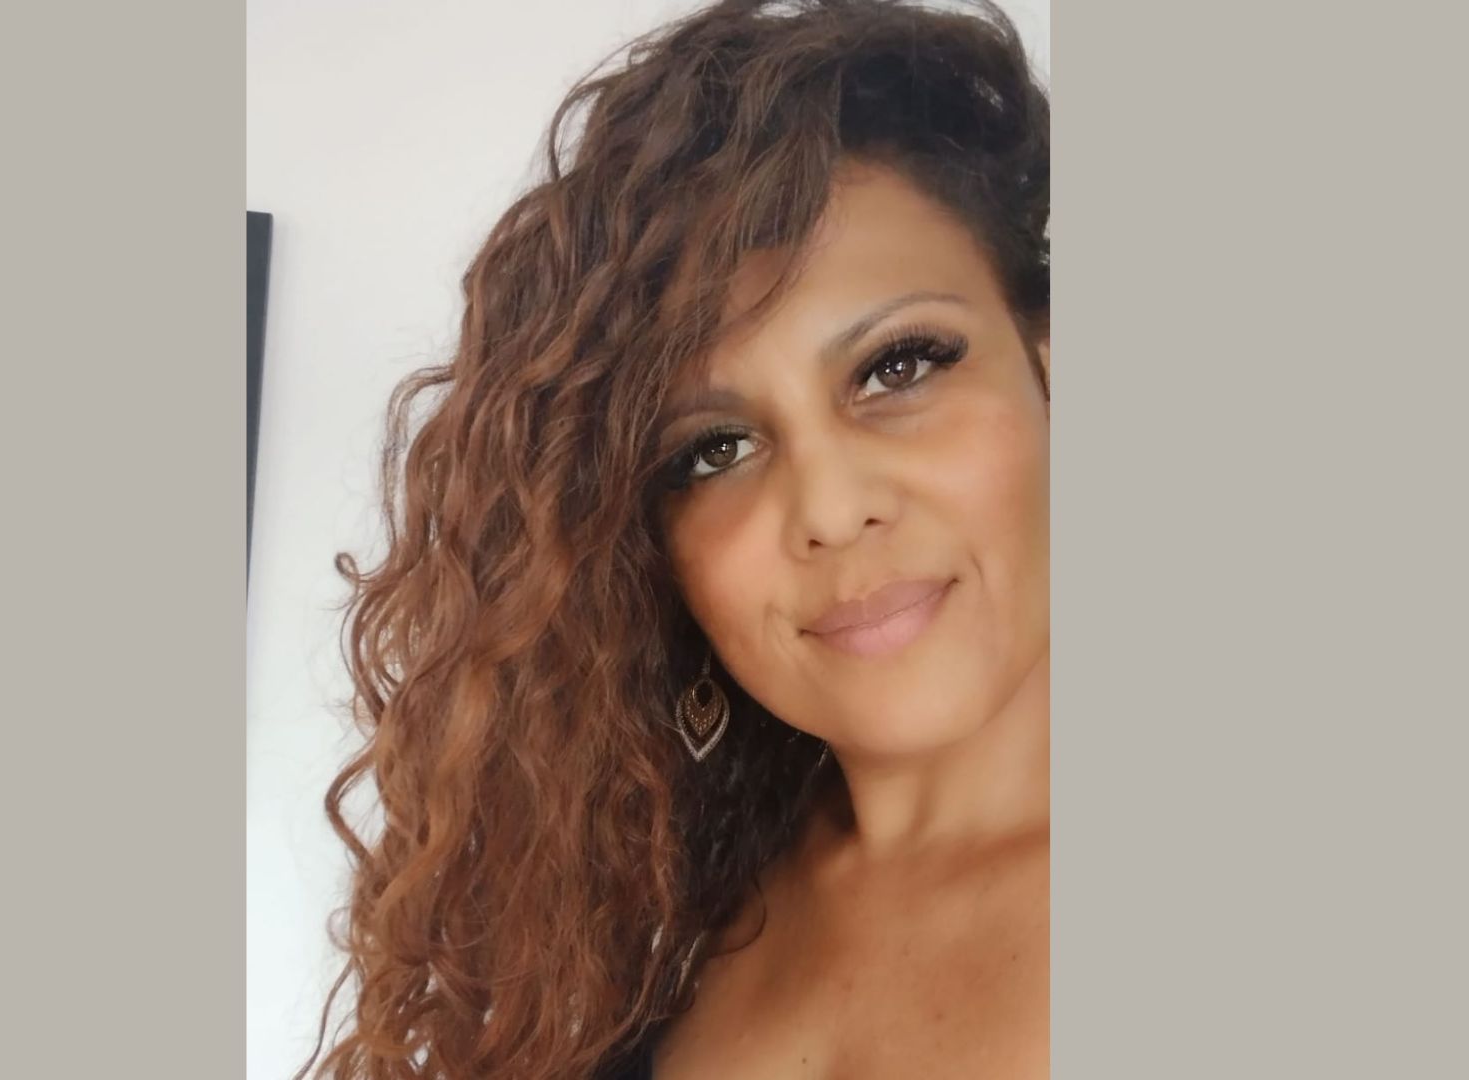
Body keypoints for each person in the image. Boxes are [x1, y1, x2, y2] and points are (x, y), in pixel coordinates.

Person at [299, 1, 1048, 1077]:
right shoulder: (644, 919)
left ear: (1049, 364)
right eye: (714, 448)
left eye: (899, 366)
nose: (831, 510)